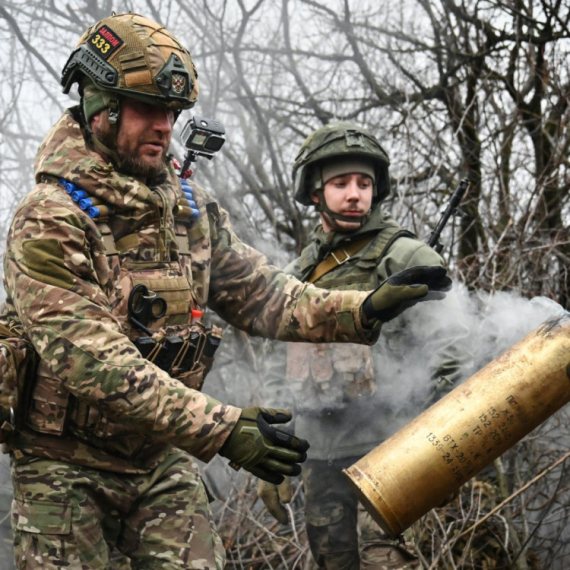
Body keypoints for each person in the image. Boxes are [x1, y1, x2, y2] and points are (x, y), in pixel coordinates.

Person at [0, 14, 451, 570]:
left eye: (173, 113)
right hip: (63, 467)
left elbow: (264, 294)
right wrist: (224, 428)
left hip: (159, 459)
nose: (165, 127)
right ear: (101, 107)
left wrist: (361, 309)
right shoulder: (50, 218)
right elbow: (93, 360)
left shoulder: (188, 210)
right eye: (149, 109)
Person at [258, 123, 471, 569]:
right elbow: (279, 366)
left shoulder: (404, 257)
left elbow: (450, 348)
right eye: (340, 184)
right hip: (321, 454)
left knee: (385, 562)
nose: (355, 194)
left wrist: (443, 444)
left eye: (364, 183)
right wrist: (272, 456)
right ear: (315, 192)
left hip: (390, 449)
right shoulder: (298, 273)